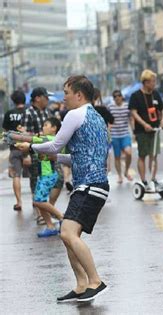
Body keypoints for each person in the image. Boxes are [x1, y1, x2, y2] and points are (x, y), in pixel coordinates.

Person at [17, 75, 110, 302]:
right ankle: (80, 285)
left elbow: (56, 143)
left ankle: (95, 281)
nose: (63, 97)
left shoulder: (75, 114)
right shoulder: (95, 116)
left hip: (89, 185)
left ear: (79, 95)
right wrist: (55, 156)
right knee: (68, 235)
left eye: (66, 93)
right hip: (94, 184)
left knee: (67, 233)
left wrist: (30, 146)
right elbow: (76, 155)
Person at [16, 118, 65, 237]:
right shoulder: (43, 140)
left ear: (54, 128)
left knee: (39, 201)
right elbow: (34, 141)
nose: (43, 127)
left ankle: (62, 217)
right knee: (40, 201)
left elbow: (35, 140)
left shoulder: (51, 140)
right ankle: (50, 226)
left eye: (46, 125)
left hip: (50, 175)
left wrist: (24, 136)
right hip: (44, 175)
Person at [129, 69, 163, 191]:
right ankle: (144, 180)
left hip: (155, 129)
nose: (154, 84)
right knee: (142, 155)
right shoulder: (136, 95)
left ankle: (153, 179)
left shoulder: (155, 94)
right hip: (142, 130)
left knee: (154, 155)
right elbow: (133, 113)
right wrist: (144, 124)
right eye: (152, 81)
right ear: (145, 82)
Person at [21, 87, 53, 224]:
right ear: (38, 98)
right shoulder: (28, 113)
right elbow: (23, 136)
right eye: (46, 97)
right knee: (35, 182)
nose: (48, 100)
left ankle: (46, 211)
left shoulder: (48, 112)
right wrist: (25, 155)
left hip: (48, 155)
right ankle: (39, 213)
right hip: (34, 154)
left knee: (47, 181)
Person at [2, 90, 26, 211]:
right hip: (29, 149)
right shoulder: (29, 111)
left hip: (15, 148)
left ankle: (19, 202)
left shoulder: (9, 113)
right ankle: (36, 202)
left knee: (16, 176)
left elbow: (5, 131)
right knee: (34, 176)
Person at [109, 89, 133, 183]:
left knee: (129, 153)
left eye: (119, 95)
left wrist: (133, 132)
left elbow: (130, 119)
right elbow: (108, 119)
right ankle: (119, 175)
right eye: (115, 96)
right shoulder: (110, 107)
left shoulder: (127, 106)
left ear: (122, 96)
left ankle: (126, 171)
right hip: (114, 135)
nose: (117, 97)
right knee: (117, 157)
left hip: (125, 134)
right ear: (113, 98)